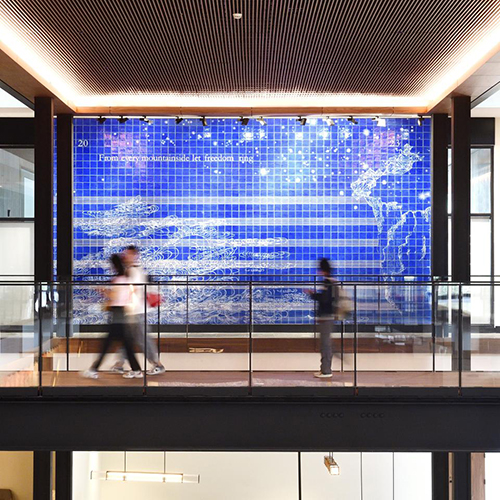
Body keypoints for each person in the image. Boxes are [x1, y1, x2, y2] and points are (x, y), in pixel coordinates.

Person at [83, 254, 142, 379]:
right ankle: (136, 370)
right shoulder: (126, 278)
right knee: (126, 344)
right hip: (122, 313)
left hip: (117, 313)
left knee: (107, 344)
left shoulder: (118, 279)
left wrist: (103, 291)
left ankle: (94, 369)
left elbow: (115, 297)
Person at [111, 245, 166, 375]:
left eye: (128, 254)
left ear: (135, 256)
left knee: (142, 339)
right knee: (128, 338)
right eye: (125, 254)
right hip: (133, 310)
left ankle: (157, 364)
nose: (125, 257)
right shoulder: (133, 270)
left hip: (137, 311)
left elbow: (132, 290)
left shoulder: (134, 271)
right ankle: (119, 364)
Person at [304, 258, 338, 378]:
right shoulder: (329, 282)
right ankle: (324, 369)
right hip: (327, 317)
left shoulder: (328, 283)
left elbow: (325, 300)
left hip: (326, 317)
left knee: (325, 344)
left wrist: (312, 294)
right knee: (325, 344)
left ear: (323, 270)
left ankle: (326, 371)